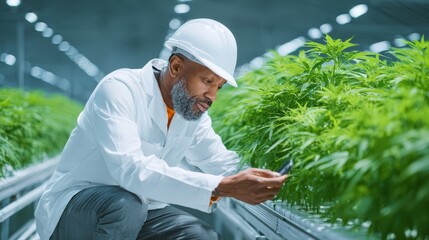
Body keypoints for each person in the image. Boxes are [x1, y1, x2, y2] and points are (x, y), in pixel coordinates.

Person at [35, 18, 288, 240]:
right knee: (126, 206)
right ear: (176, 67)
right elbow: (131, 170)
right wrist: (221, 186)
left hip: (141, 210)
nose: (211, 96)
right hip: (74, 210)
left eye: (219, 86)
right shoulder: (120, 89)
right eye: (207, 81)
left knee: (202, 235)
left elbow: (222, 162)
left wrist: (270, 180)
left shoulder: (192, 112)